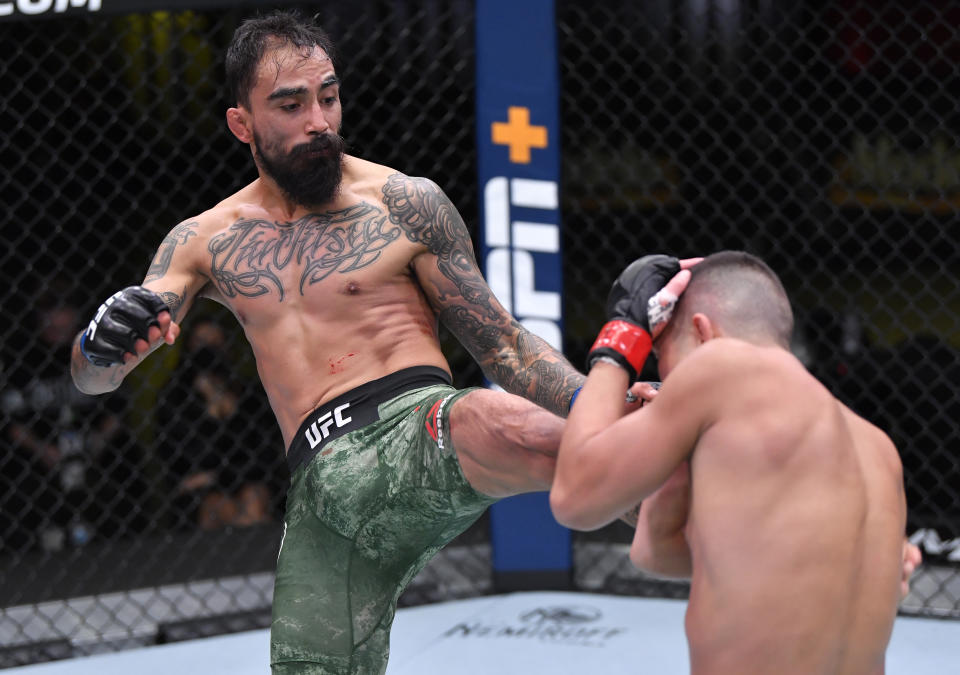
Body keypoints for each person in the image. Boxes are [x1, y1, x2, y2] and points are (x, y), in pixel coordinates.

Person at [69, 10, 589, 674]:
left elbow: (507, 350)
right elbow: (98, 376)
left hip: (416, 429)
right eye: (290, 104)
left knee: (506, 422)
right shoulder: (203, 238)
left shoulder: (405, 202)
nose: (319, 120)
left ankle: (680, 468)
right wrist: (98, 340)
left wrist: (610, 404)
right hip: (321, 490)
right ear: (242, 123)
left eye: (329, 96)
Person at [550, 251, 917, 675]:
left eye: (663, 357)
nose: (665, 378)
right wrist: (676, 444)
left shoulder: (721, 365)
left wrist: (623, 339)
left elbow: (574, 498)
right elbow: (655, 552)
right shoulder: (876, 447)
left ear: (702, 333)